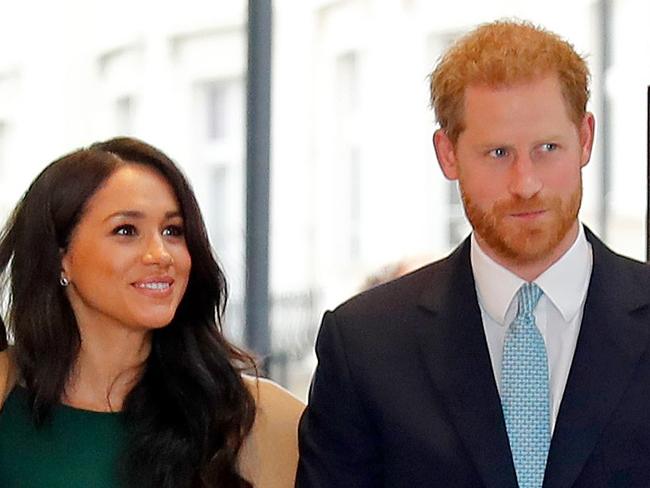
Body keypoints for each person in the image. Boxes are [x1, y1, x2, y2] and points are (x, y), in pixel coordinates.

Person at [297, 20, 650, 488]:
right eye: (498, 153)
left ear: (585, 138)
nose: (526, 184)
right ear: (448, 155)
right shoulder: (365, 346)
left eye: (547, 148)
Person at [0, 137, 304, 488]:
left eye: (173, 231)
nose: (160, 254)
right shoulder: (8, 396)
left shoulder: (256, 418)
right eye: (126, 231)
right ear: (59, 256)